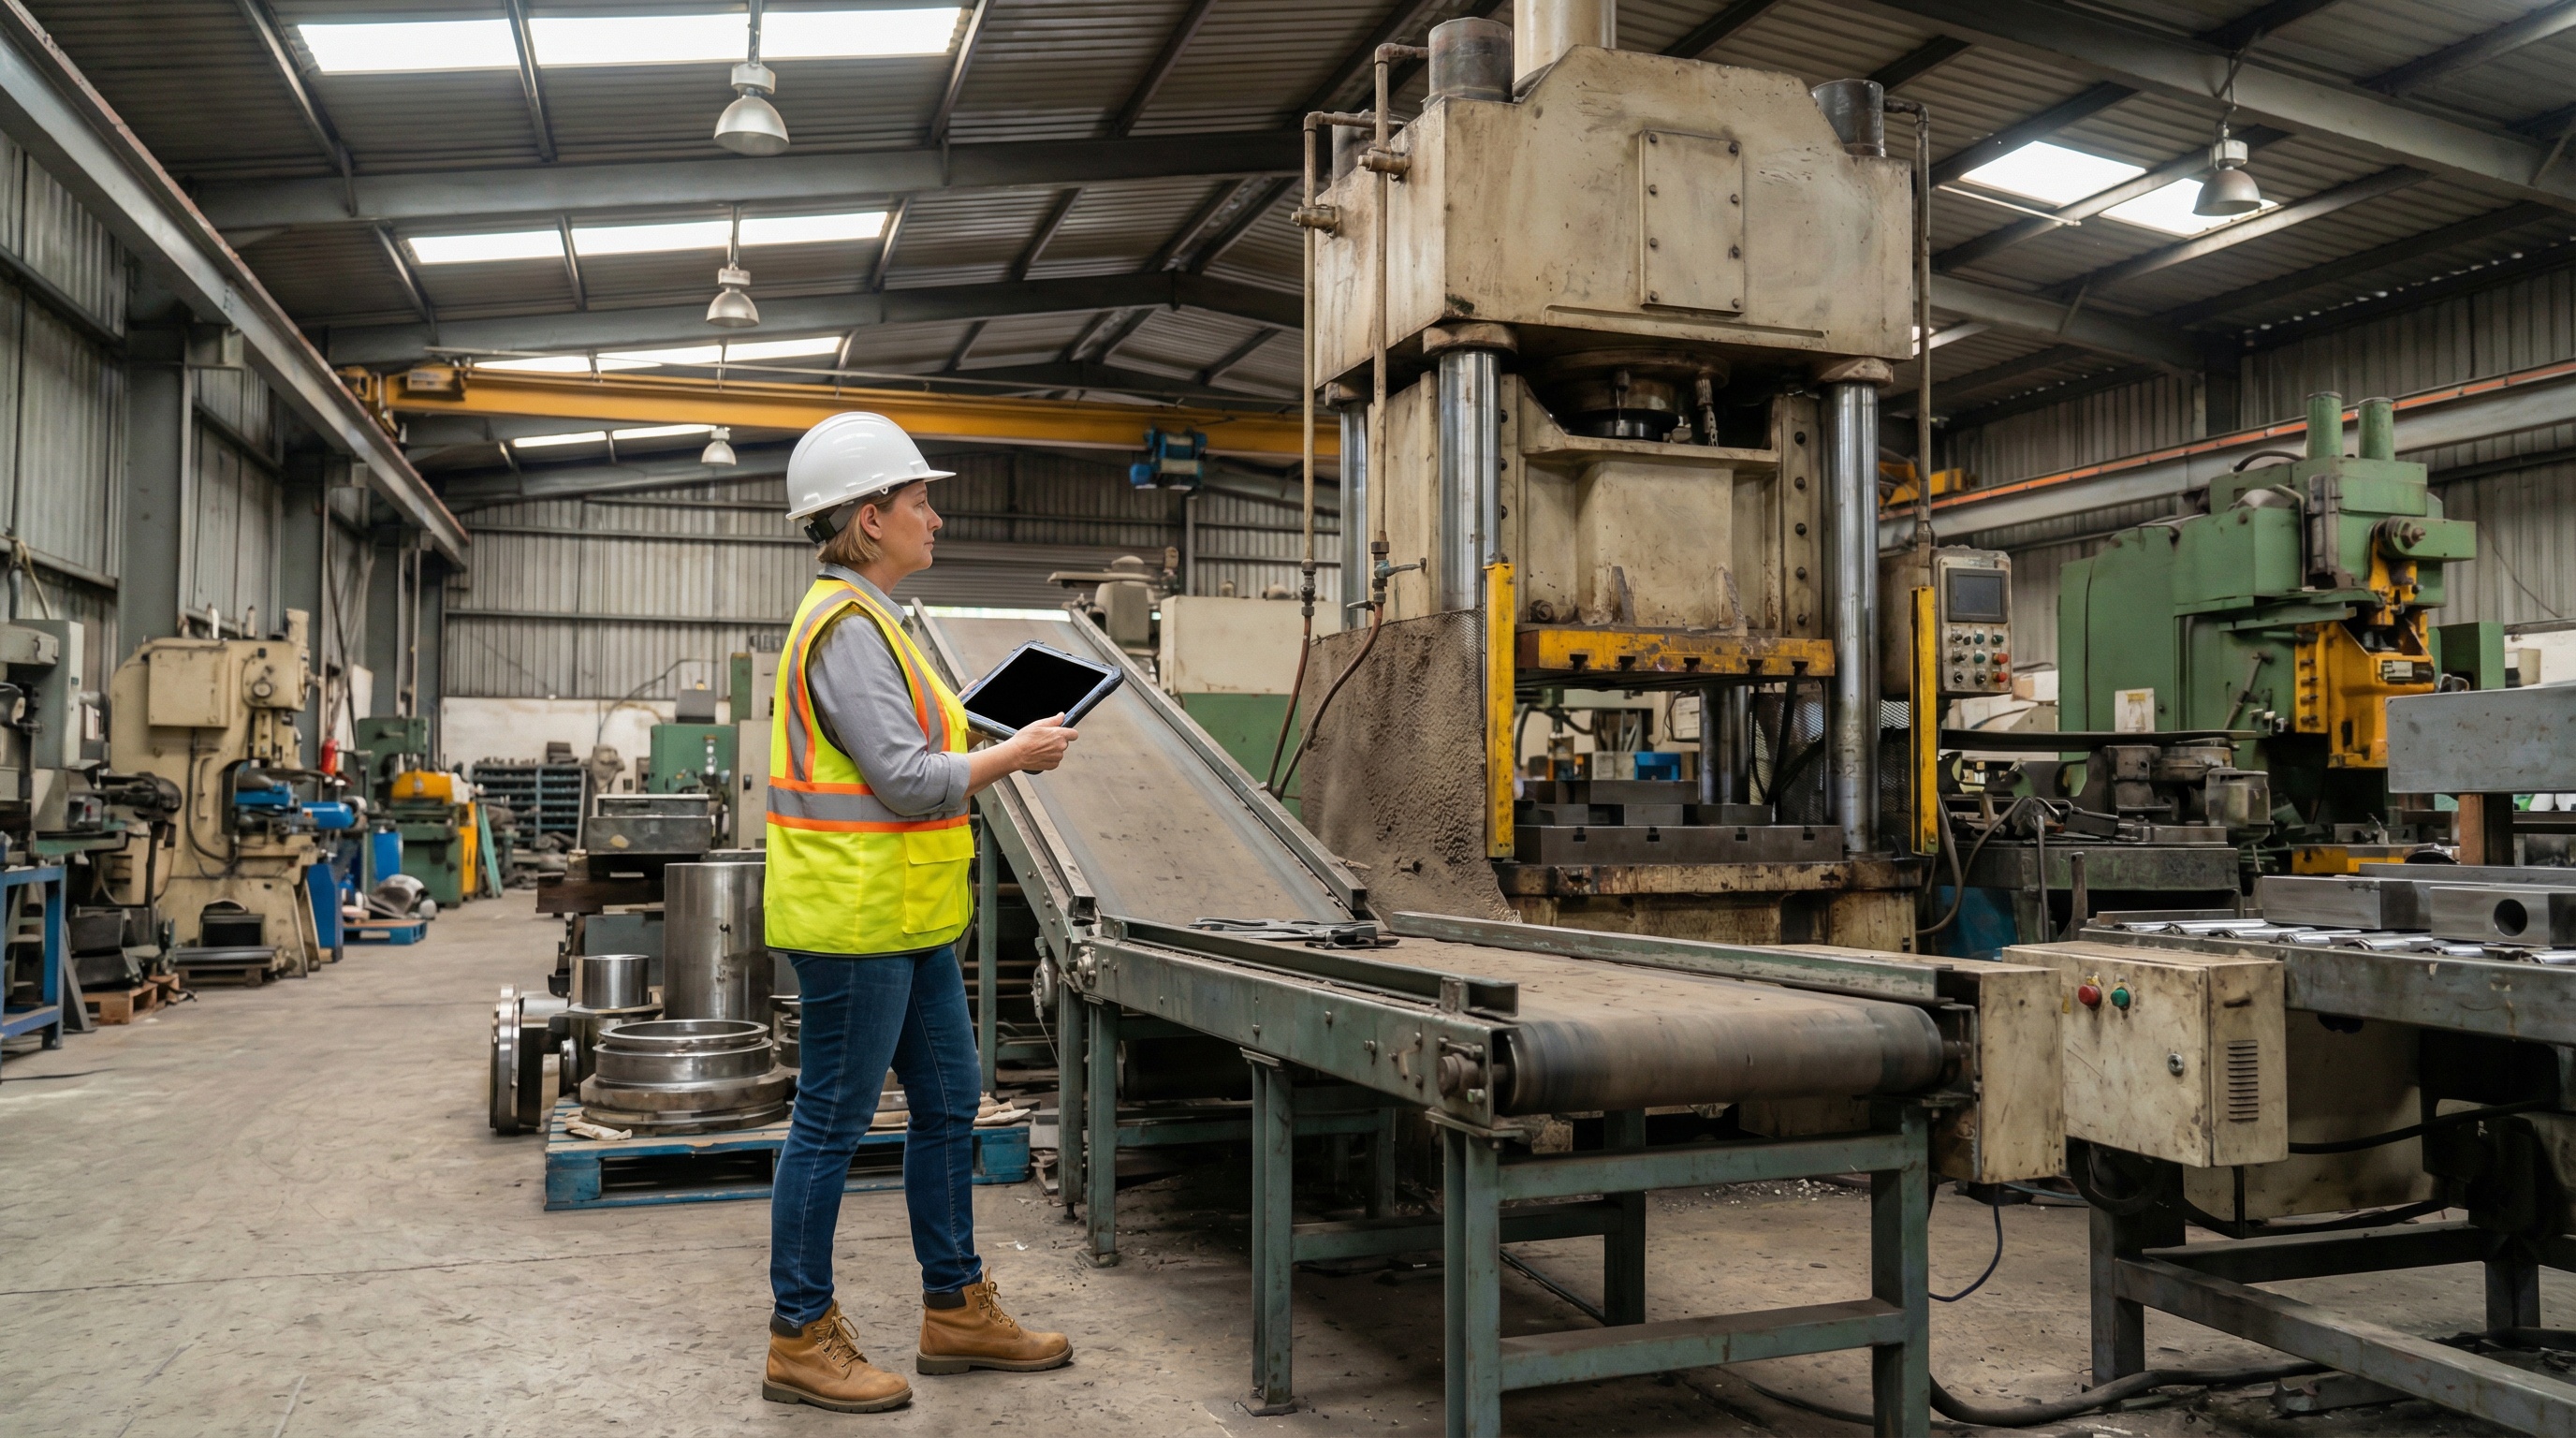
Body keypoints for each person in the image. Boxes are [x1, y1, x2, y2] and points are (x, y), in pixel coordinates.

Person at [761, 412, 1079, 1414]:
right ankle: (799, 1336)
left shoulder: (879, 624)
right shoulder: (846, 631)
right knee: (829, 1125)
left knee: (948, 1105)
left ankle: (954, 1309)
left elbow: (912, 746)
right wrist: (1013, 755)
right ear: (868, 520)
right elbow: (903, 781)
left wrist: (989, 726)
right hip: (856, 926)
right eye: (916, 502)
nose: (933, 518)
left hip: (909, 921)